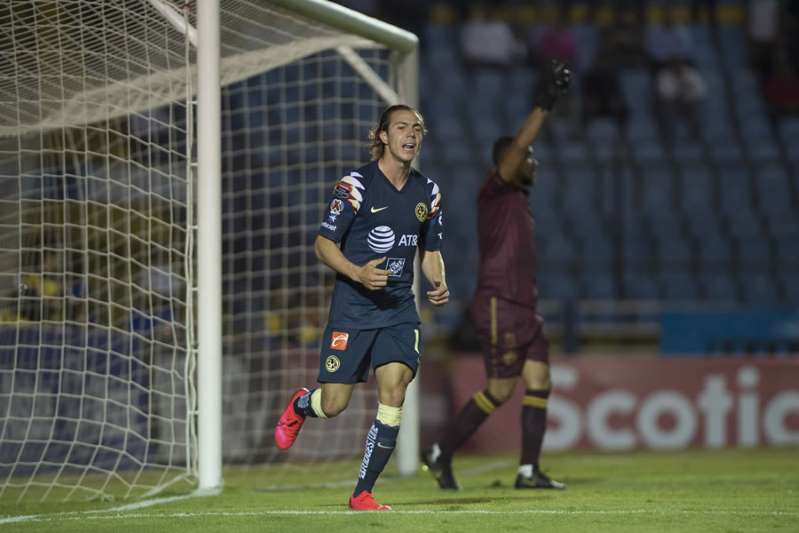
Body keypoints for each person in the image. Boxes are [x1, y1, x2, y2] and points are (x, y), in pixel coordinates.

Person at [274, 104, 448, 511]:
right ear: (383, 136)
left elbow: (430, 251)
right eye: (402, 127)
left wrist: (440, 282)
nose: (411, 134)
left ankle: (362, 493)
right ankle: (302, 403)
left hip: (399, 309)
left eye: (417, 128)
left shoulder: (429, 192)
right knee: (333, 405)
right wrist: (357, 273)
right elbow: (323, 244)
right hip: (353, 309)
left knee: (395, 389)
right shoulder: (355, 186)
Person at [421, 61, 571, 491]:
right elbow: (519, 148)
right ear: (510, 161)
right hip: (499, 304)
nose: (534, 161)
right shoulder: (495, 191)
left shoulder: (519, 203)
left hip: (526, 308)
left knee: (540, 380)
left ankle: (528, 471)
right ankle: (440, 450)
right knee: (501, 390)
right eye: (528, 156)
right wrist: (545, 104)